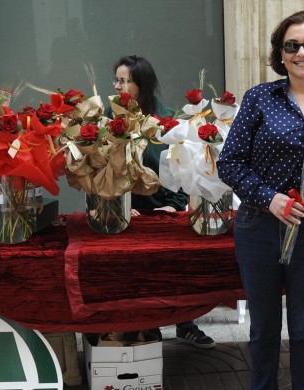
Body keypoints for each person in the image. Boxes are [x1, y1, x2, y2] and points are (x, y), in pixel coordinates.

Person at [217, 11, 304, 389]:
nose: (301, 53)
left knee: (303, 326)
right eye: (291, 46)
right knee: (263, 327)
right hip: (259, 225)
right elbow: (228, 163)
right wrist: (270, 199)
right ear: (280, 54)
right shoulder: (260, 98)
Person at [106, 55, 215, 349]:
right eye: (116, 80)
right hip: (125, 214)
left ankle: (185, 323)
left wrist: (174, 205)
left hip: (163, 210)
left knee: (178, 267)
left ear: (142, 84)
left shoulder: (166, 119)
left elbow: (184, 166)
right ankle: (138, 328)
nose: (118, 86)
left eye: (125, 80)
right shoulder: (108, 117)